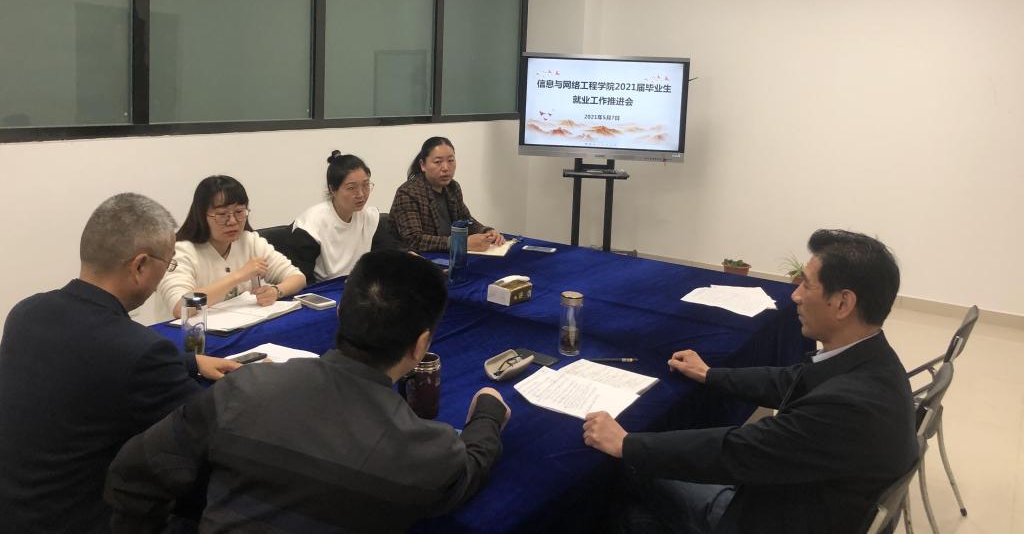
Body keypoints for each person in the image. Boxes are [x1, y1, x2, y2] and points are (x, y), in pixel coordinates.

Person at [106, 250, 512, 531]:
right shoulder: (421, 448)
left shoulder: (244, 387)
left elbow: (132, 472)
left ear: (340, 313)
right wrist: (489, 413)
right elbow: (469, 469)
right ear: (421, 345)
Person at [582, 229, 918, 534]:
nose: (795, 295)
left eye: (806, 285)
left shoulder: (846, 406)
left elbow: (736, 450)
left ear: (843, 303)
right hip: (802, 499)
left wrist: (626, 444)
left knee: (626, 476)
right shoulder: (873, 360)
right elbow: (788, 380)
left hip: (766, 516)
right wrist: (709, 374)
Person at [0, 193, 240, 534]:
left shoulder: (27, 312)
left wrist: (189, 361)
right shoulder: (139, 351)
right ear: (140, 266)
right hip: (84, 518)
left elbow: (87, 358)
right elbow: (211, 434)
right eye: (169, 264)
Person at [156, 175, 305, 318]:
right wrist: (239, 276)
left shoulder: (249, 241)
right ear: (202, 216)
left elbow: (297, 277)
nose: (232, 221)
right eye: (222, 214)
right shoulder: (179, 252)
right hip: (186, 332)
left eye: (239, 212)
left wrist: (276, 291)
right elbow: (181, 307)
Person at [289, 151, 406, 283]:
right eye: (351, 188)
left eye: (365, 185)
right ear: (333, 190)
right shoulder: (311, 225)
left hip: (358, 286)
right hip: (324, 290)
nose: (361, 194)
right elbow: (300, 279)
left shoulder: (369, 218)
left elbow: (390, 255)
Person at [390, 135, 505, 252]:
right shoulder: (408, 193)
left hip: (446, 256)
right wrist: (460, 243)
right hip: (415, 259)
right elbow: (414, 240)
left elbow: (466, 220)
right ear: (423, 165)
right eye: (438, 162)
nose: (445, 168)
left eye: (450, 161)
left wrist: (486, 231)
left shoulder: (453, 187)